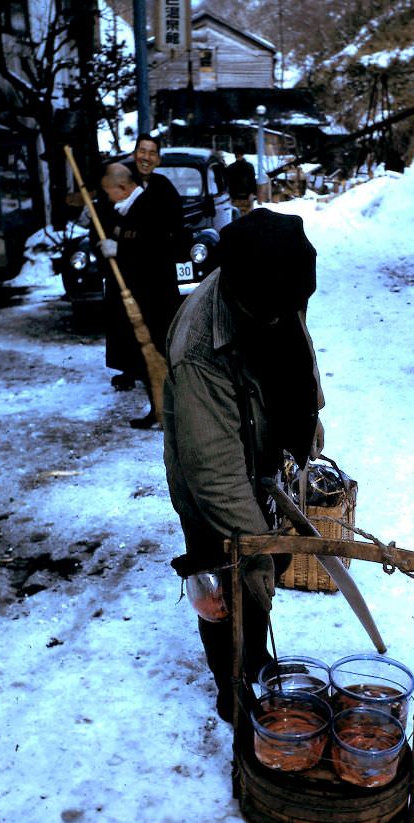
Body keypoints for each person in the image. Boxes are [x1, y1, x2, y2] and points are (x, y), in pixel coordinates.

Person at [163, 208, 325, 721]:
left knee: (262, 563)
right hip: (208, 474)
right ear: (243, 293)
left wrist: (309, 416)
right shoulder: (199, 348)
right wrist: (256, 559)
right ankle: (231, 685)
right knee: (224, 581)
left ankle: (255, 656)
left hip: (256, 450)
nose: (284, 315)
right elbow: (214, 472)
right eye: (274, 310)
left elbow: (298, 346)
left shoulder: (274, 286)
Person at [97, 162, 182, 427]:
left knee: (161, 357)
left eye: (109, 192)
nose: (107, 197)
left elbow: (157, 250)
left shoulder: (150, 206)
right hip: (139, 300)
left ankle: (174, 412)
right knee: (147, 360)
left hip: (156, 300)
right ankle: (158, 409)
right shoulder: (124, 209)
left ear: (122, 188)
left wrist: (120, 250)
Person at [107, 134, 186, 394]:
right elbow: (105, 218)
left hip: (155, 270)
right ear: (134, 153)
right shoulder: (120, 182)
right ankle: (129, 368)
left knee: (158, 319)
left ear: (158, 159)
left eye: (152, 153)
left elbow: (173, 227)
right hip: (127, 269)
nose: (146, 157)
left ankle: (162, 366)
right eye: (142, 151)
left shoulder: (164, 187)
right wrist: (107, 242)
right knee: (126, 320)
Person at [226, 149, 257, 216]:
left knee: (245, 217)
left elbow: (252, 180)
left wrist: (252, 193)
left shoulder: (248, 167)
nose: (238, 156)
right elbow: (228, 183)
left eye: (238, 155)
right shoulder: (231, 168)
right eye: (237, 155)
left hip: (245, 196)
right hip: (237, 196)